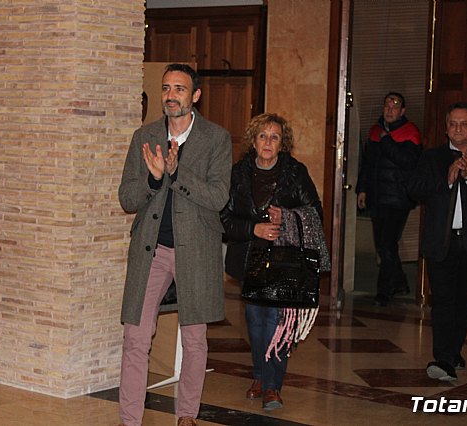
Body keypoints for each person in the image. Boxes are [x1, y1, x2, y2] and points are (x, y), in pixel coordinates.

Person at [118, 63, 232, 426]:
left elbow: (218, 197)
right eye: (166, 88)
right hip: (151, 250)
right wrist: (153, 181)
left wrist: (178, 172)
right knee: (136, 337)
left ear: (195, 95)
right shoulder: (145, 136)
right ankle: (130, 420)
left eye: (179, 89)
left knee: (194, 338)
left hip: (195, 251)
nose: (171, 95)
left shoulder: (216, 139)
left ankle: (187, 415)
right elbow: (126, 197)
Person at [220, 113, 323, 411]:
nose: (268, 142)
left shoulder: (295, 172)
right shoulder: (237, 173)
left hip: (284, 259)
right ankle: (260, 375)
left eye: (274, 137)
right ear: (253, 141)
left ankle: (272, 386)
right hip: (249, 258)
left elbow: (315, 213)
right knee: (255, 322)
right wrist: (253, 229)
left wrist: (287, 218)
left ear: (282, 143)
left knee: (277, 323)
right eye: (262, 136)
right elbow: (223, 218)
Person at [406, 102, 467, 381]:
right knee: (442, 301)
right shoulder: (431, 157)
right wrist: (447, 180)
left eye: (464, 124)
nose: (458, 129)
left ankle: (453, 351)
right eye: (453, 124)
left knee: (463, 301)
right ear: (446, 128)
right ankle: (443, 359)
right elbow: (414, 190)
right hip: (441, 241)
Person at [356, 92, 422, 306]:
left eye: (395, 106)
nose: (390, 110)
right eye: (387, 105)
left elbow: (408, 162)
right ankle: (400, 283)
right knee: (385, 245)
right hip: (377, 197)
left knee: (386, 245)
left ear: (402, 111)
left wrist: (387, 141)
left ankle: (384, 291)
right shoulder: (375, 131)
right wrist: (362, 190)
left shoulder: (410, 132)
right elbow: (367, 164)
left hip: (397, 199)